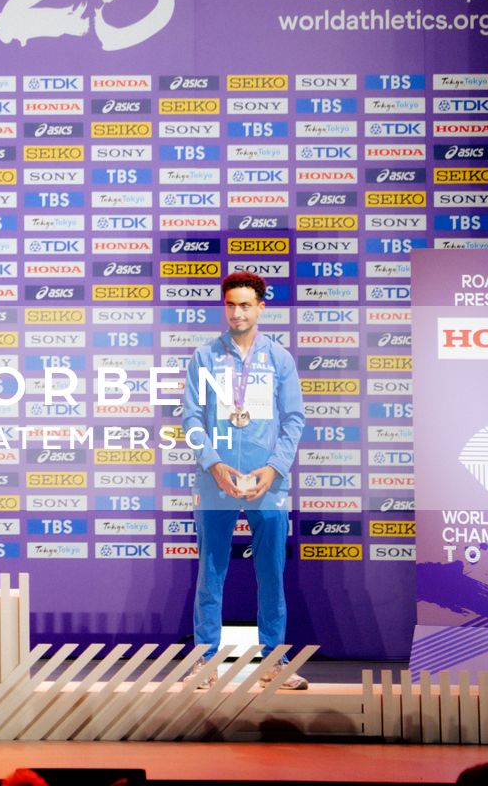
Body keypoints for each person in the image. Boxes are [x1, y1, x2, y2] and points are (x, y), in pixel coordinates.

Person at [180, 271, 308, 689]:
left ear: (261, 307)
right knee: (210, 572)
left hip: (267, 481)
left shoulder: (279, 359)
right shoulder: (205, 357)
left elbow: (294, 419)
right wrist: (213, 463)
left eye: (246, 305)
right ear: (225, 307)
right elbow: (191, 418)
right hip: (215, 480)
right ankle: (205, 661)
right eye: (231, 304)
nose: (238, 312)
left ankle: (275, 661)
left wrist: (274, 469)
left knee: (270, 573)